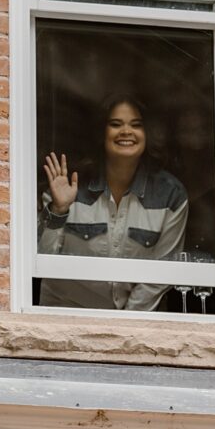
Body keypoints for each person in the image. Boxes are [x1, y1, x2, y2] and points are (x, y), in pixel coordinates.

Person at [37, 95, 188, 311]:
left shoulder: (170, 194)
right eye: (115, 124)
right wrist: (58, 210)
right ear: (101, 133)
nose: (126, 131)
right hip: (66, 313)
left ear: (147, 134)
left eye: (136, 125)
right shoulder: (68, 184)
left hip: (136, 319)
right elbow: (43, 259)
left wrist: (127, 322)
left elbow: (162, 272)